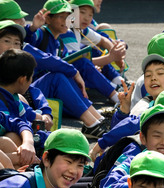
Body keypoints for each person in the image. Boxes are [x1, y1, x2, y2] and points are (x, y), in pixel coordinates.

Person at [0, 4, 109, 139]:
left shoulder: (48, 43)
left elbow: (32, 92)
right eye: (17, 19)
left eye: (17, 42)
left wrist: (45, 113)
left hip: (23, 98)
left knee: (61, 75)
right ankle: (94, 122)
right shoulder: (37, 36)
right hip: (11, 114)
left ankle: (96, 120)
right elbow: (47, 60)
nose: (22, 22)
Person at [24, 0, 121, 113]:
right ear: (48, 19)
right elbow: (26, 41)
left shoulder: (59, 42)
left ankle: (104, 107)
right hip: (35, 88)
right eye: (62, 17)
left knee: (81, 63)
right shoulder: (41, 33)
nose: (67, 21)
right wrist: (32, 27)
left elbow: (70, 59)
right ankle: (97, 111)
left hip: (51, 86)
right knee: (63, 75)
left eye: (69, 17)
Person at [89, 54, 164, 162]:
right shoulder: (146, 102)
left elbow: (133, 124)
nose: (153, 78)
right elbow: (120, 132)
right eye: (148, 75)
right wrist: (124, 110)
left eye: (160, 73)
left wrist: (101, 143)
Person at [0, 48, 39, 168]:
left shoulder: (15, 98)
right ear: (23, 79)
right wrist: (19, 158)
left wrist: (28, 143)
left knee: (11, 138)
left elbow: (18, 123)